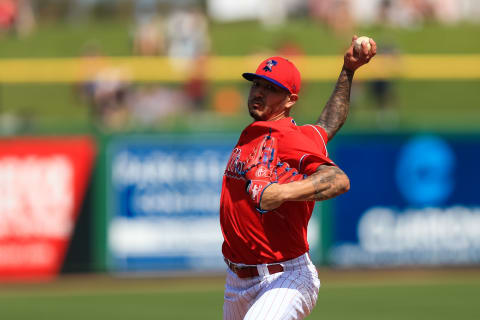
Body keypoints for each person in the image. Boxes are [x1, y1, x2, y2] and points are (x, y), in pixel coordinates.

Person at [220, 35, 376, 320]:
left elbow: (338, 179)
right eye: (257, 84)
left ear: (290, 99)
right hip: (237, 281)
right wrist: (348, 71)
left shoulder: (288, 137)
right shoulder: (257, 132)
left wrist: (282, 192)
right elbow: (328, 123)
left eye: (271, 89)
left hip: (284, 277)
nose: (258, 92)